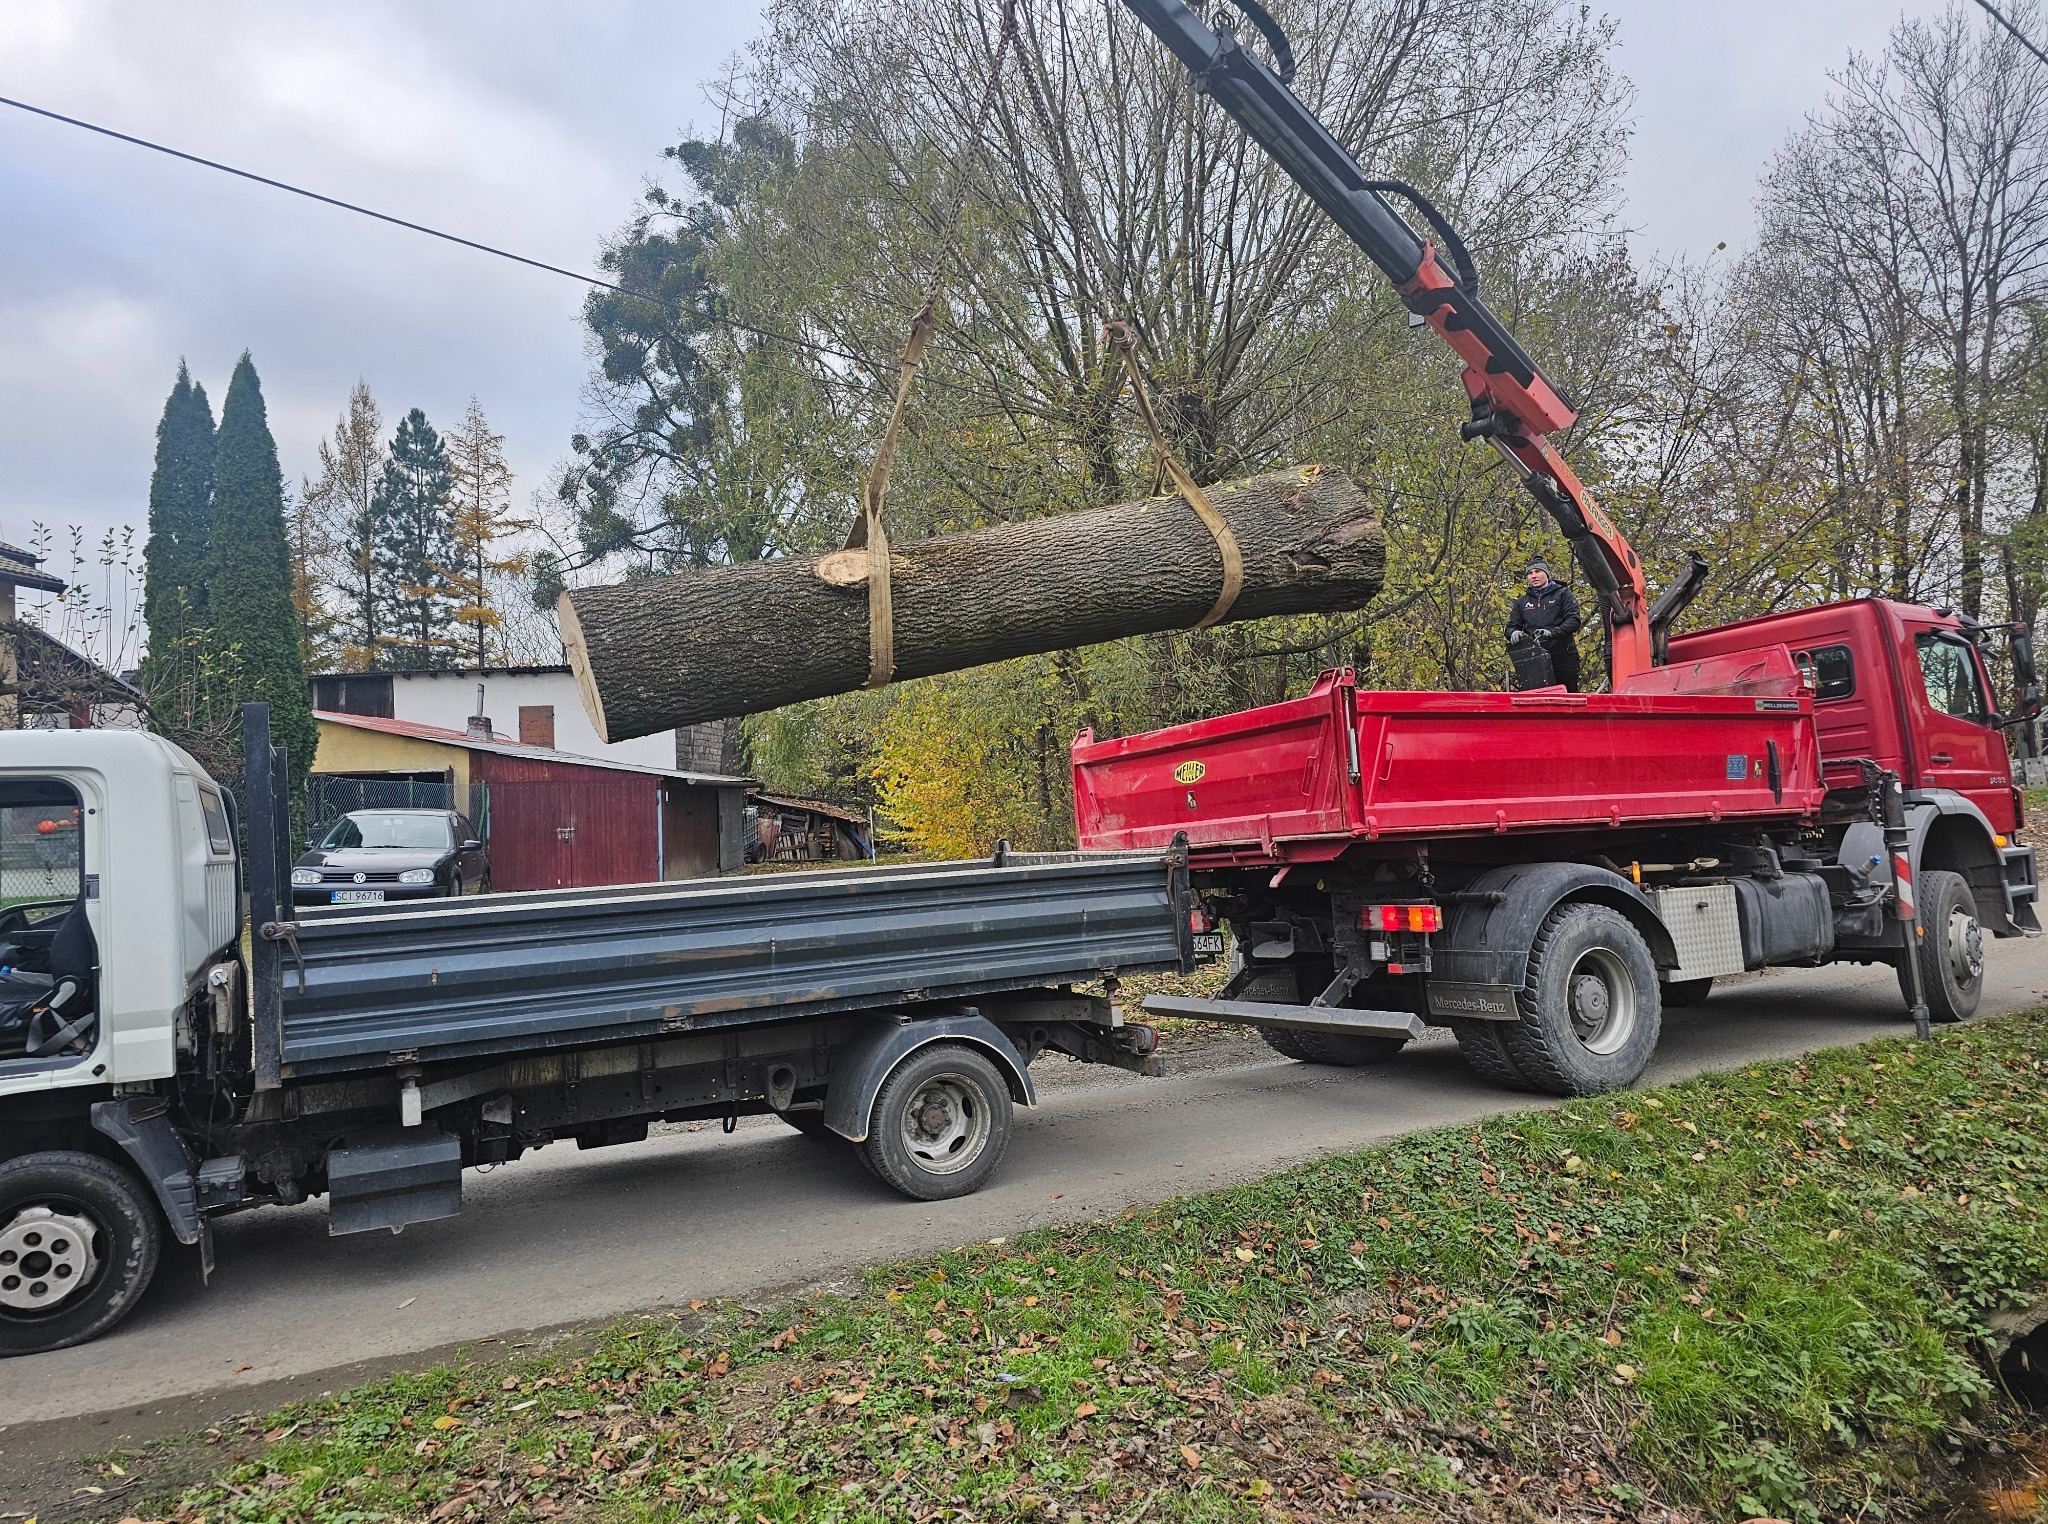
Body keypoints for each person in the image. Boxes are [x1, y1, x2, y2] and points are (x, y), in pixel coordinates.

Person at [1505, 559, 1583, 692]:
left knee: (1567, 698)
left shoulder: (1563, 594)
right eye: (1530, 573)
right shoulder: (1522, 602)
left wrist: (1552, 633)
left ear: (1547, 574)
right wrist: (1513, 633)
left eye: (1538, 571)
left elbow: (1574, 620)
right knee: (1537, 699)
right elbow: (1511, 626)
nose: (1534, 575)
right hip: (1534, 660)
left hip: (1563, 656)